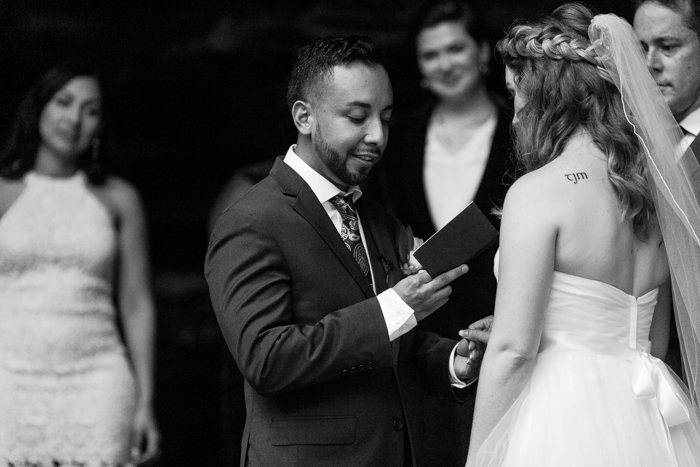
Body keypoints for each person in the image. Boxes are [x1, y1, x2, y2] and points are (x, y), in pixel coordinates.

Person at [205, 36, 482, 467]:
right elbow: (265, 360)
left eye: (386, 118)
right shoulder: (250, 221)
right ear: (304, 117)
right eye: (357, 117)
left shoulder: (378, 219)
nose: (378, 135)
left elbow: (393, 345)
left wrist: (453, 361)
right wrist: (392, 307)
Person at [461, 3, 700, 466]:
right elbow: (657, 334)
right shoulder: (654, 196)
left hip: (562, 414)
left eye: (515, 94)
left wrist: (479, 458)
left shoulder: (538, 193)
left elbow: (513, 352)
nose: (512, 115)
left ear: (544, 96)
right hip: (648, 414)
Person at [367, 2, 514, 464]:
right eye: (431, 55)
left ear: (483, 52)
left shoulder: (520, 126)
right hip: (423, 333)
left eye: (456, 48)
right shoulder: (400, 135)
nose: (445, 63)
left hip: (500, 323)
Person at [0, 59, 160, 465]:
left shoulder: (120, 199)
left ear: (99, 127)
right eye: (64, 102)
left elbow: (137, 303)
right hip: (10, 380)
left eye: (90, 110)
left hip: (98, 379)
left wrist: (146, 402)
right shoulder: (2, 192)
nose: (74, 118)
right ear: (39, 108)